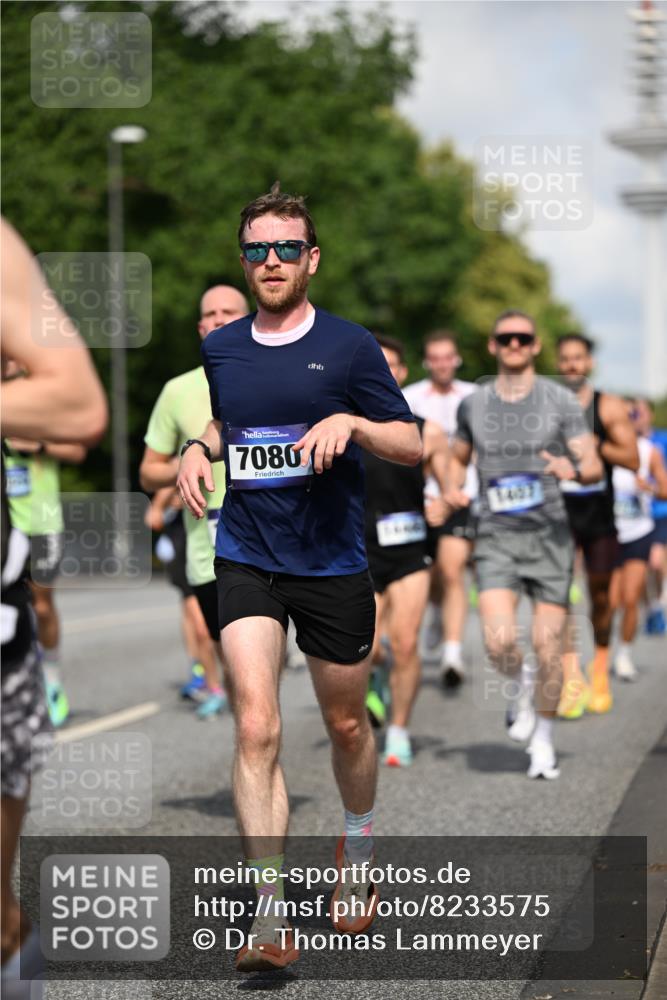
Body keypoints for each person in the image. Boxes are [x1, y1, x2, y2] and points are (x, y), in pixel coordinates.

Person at [177, 183, 421, 971]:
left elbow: (411, 444)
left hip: (331, 564)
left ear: (311, 258)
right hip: (247, 552)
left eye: (287, 248)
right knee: (255, 725)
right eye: (257, 249)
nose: (271, 261)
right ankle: (271, 912)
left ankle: (358, 841)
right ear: (243, 260)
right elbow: (232, 418)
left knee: (346, 725)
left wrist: (352, 420)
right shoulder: (222, 348)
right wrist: (200, 448)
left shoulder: (349, 347)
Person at [1, 218, 107, 999]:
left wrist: (27, 436)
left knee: (44, 603)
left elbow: (76, 423)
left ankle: (54, 674)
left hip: (30, 520)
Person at [445, 310, 602, 780]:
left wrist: (572, 471)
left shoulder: (559, 400)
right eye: (505, 338)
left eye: (523, 338)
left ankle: (543, 744)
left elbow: (592, 465)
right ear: (493, 346)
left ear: (536, 346)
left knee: (550, 647)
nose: (514, 344)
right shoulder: (474, 404)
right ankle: (521, 680)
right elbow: (457, 458)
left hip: (550, 538)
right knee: (498, 642)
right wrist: (453, 488)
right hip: (495, 536)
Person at [140, 284, 249, 718]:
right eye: (211, 313)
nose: (219, 318)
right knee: (241, 672)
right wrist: (188, 461)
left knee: (261, 663)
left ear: (248, 320)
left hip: (277, 539)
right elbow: (148, 471)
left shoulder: (278, 376)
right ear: (201, 327)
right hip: (209, 546)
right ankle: (258, 746)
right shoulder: (177, 390)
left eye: (230, 311)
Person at [363, 334, 447, 765]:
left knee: (407, 642)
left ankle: (398, 730)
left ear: (402, 373)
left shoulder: (426, 431)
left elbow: (449, 485)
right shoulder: (348, 425)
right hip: (360, 552)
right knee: (369, 647)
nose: (385, 371)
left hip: (410, 550)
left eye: (392, 365)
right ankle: (376, 677)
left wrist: (444, 500)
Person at [555, 333, 639, 716]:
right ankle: (572, 676)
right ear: (558, 364)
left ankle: (600, 666)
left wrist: (596, 445)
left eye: (579, 358)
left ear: (589, 363)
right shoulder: (546, 404)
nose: (572, 364)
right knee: (558, 595)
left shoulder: (608, 406)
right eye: (566, 358)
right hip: (557, 512)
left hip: (598, 514)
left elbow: (633, 458)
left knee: (601, 596)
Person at [2, 373, 87, 729]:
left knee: (42, 604)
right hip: (9, 526)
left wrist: (37, 446)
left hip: (44, 525)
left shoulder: (41, 406)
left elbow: (78, 449)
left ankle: (52, 681)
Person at [403, 331, 477, 687]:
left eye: (448, 357)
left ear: (456, 359)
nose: (442, 363)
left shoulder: (474, 396)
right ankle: (436, 613)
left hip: (463, 497)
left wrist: (456, 486)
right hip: (422, 498)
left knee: (452, 569)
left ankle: (452, 653)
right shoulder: (409, 397)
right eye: (435, 357)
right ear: (426, 361)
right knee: (430, 572)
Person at [610, 400, 667, 680]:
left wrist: (651, 488)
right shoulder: (604, 449)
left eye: (634, 415)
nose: (630, 420)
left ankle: (624, 655)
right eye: (625, 415)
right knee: (609, 602)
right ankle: (602, 653)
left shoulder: (650, 452)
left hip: (639, 532)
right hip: (608, 534)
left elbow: (665, 491)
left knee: (630, 598)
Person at [144, 487, 212, 703]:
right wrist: (160, 503)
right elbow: (174, 465)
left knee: (195, 610)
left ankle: (208, 672)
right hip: (185, 533)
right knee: (193, 609)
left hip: (215, 525)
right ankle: (200, 671)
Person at [635, 399, 667, 634]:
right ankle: (652, 607)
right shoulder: (625, 444)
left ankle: (659, 602)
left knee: (656, 562)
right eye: (633, 413)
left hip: (660, 511)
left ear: (651, 415)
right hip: (634, 515)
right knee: (642, 567)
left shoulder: (662, 441)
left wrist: (652, 488)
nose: (637, 417)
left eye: (641, 412)